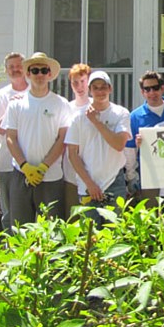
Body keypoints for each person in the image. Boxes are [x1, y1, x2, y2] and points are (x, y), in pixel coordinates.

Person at [4, 52, 70, 226]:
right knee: (19, 229)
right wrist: (25, 166)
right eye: (35, 70)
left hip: (51, 177)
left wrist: (43, 167)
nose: (39, 74)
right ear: (28, 74)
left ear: (50, 74)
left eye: (43, 70)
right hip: (21, 175)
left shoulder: (61, 104)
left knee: (52, 231)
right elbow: (10, 138)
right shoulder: (16, 104)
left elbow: (63, 139)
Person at [65, 71, 131, 223]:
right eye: (95, 87)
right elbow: (72, 154)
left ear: (110, 89)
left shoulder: (121, 113)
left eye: (103, 87)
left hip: (114, 181)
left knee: (114, 234)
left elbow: (119, 145)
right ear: (90, 90)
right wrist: (89, 184)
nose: (100, 91)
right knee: (90, 236)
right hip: (87, 185)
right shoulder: (78, 117)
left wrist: (96, 122)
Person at [0, 52, 29, 230]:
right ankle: (9, 249)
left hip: (30, 161)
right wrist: (12, 106)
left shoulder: (35, 92)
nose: (15, 69)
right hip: (6, 161)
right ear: (6, 70)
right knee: (8, 211)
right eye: (11, 67)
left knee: (29, 209)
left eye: (19, 65)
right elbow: (0, 128)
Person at [125, 71, 164, 208]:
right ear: (142, 92)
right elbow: (130, 150)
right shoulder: (135, 116)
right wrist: (131, 177)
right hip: (149, 176)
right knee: (152, 217)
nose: (152, 92)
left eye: (155, 88)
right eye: (147, 89)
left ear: (162, 88)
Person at [62, 63, 92, 218]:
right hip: (70, 173)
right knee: (72, 217)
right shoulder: (66, 108)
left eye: (83, 81)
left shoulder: (95, 106)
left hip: (92, 172)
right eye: (75, 82)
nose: (79, 86)